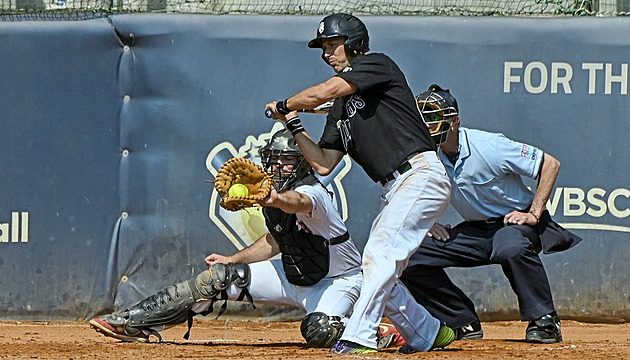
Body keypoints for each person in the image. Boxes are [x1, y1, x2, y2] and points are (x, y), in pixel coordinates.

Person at [90, 128, 402, 349]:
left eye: (287, 161)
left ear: (304, 164)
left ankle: (374, 331)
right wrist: (232, 259)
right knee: (218, 278)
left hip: (337, 281)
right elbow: (276, 241)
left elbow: (298, 203)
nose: (277, 166)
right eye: (273, 160)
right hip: (292, 275)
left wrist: (274, 199)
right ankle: (137, 322)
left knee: (318, 330)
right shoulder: (273, 197)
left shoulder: (313, 193)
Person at [265, 13, 454, 354]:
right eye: (323, 47)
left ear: (353, 43)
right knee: (377, 269)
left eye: (332, 44)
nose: (326, 53)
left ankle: (360, 337)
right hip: (395, 186)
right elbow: (323, 164)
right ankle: (428, 331)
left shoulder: (377, 65)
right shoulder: (339, 108)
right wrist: (293, 123)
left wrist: (285, 104)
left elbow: (323, 91)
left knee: (379, 254)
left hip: (420, 173)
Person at [400, 84, 582, 344]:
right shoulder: (427, 156)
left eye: (435, 118)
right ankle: (461, 321)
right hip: (476, 230)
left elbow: (549, 164)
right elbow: (410, 192)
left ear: (454, 121)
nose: (429, 125)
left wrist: (533, 213)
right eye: (424, 119)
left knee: (510, 245)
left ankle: (545, 320)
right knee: (408, 254)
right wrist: (426, 224)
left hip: (517, 222)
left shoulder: (489, 145)